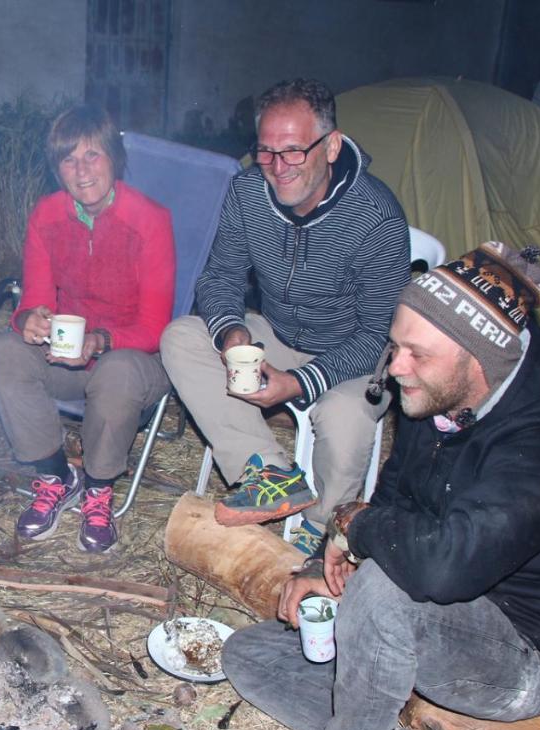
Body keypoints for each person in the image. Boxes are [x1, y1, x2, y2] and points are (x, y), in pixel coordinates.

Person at [219, 243, 540, 730]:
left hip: (528, 652)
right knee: (249, 654)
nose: (396, 367)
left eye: (417, 354)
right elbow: (400, 497)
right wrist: (323, 558)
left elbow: (441, 565)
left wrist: (356, 528)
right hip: (440, 611)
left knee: (389, 589)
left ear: (477, 361)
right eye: (396, 344)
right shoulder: (436, 390)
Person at [160, 78, 409, 555]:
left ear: (331, 145)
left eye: (293, 151)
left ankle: (324, 526)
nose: (277, 168)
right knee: (183, 337)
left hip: (354, 351)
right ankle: (269, 469)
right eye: (266, 152)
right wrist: (231, 331)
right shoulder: (248, 192)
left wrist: (299, 382)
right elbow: (220, 278)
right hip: (276, 331)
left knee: (346, 414)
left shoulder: (376, 217)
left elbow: (380, 332)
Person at [0, 105, 175, 553]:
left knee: (118, 371)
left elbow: (155, 326)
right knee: (2, 353)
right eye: (69, 159)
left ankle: (98, 490)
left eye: (93, 156)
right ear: (57, 169)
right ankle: (55, 478)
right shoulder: (47, 215)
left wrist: (99, 342)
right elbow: (33, 299)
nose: (82, 170)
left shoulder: (150, 220)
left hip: (135, 358)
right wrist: (27, 320)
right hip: (67, 355)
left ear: (115, 159)